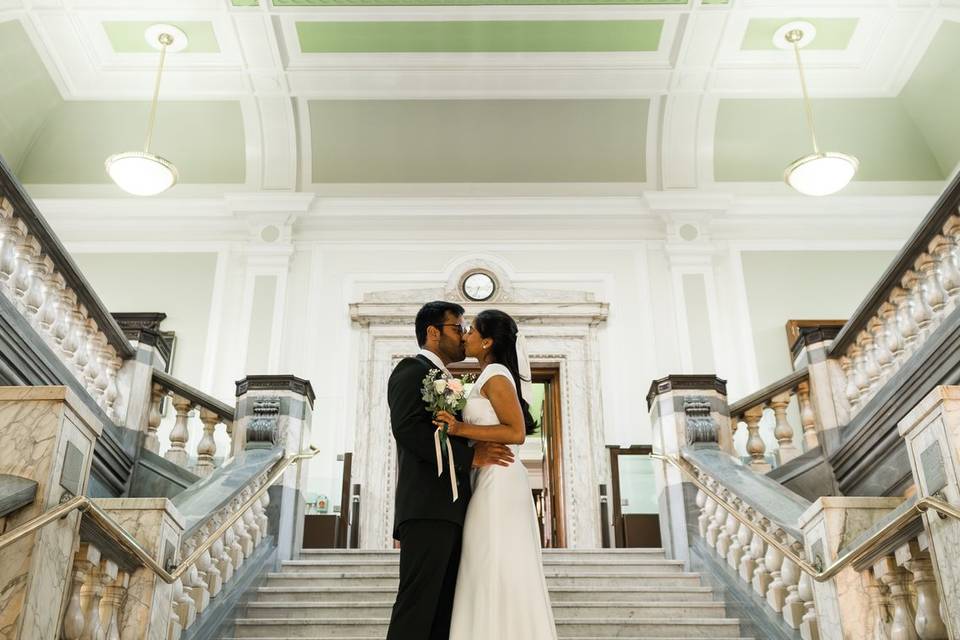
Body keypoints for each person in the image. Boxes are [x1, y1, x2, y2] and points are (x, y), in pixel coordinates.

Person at [386, 301, 515, 640]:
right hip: (427, 508)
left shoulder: (450, 381)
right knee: (417, 608)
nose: (462, 336)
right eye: (457, 328)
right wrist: (469, 458)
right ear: (433, 332)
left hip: (456, 510)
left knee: (443, 612)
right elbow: (409, 430)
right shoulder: (410, 370)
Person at [434, 309, 558, 640]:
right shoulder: (488, 375)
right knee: (485, 561)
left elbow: (516, 432)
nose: (465, 334)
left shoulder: (496, 375)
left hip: (499, 480)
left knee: (492, 560)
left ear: (487, 341)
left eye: (471, 330)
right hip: (489, 478)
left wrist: (460, 427)